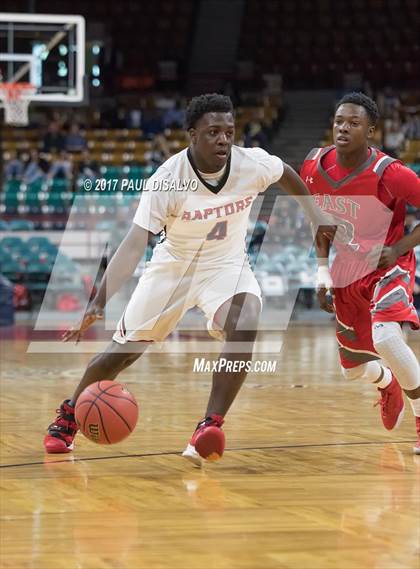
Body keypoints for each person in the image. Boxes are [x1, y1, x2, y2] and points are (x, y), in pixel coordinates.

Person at [44, 93, 335, 465]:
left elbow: (285, 173)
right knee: (116, 357)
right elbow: (135, 243)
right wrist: (99, 300)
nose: (223, 140)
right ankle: (69, 416)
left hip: (225, 265)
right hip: (173, 268)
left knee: (246, 323)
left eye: (229, 132)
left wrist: (314, 215)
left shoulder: (251, 163)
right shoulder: (167, 179)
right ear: (192, 135)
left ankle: (209, 425)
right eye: (213, 132)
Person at [301, 92, 420, 454]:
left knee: (385, 338)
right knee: (352, 369)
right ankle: (388, 384)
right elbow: (320, 228)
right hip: (347, 270)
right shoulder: (313, 167)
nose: (343, 128)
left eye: (353, 123)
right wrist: (322, 275)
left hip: (389, 264)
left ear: (370, 131)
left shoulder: (391, 173)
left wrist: (399, 248)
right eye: (339, 121)